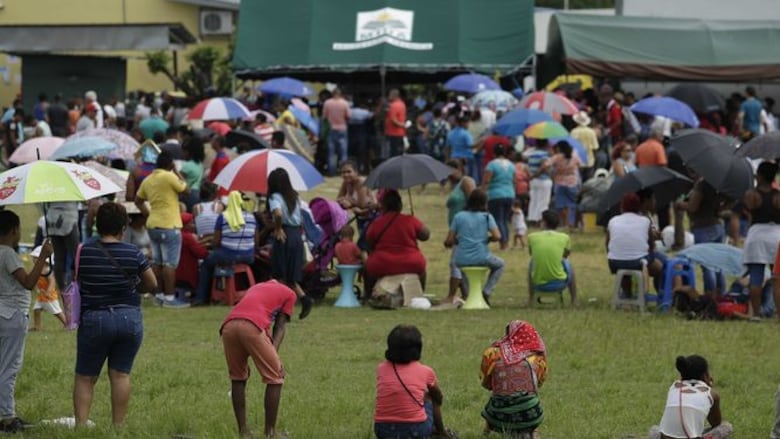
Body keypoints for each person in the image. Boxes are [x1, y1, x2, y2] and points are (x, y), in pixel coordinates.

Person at [72, 202, 157, 427]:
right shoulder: (133, 252)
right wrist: (134, 286)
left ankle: (80, 427)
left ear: (97, 225)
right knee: (120, 375)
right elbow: (152, 283)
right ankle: (117, 428)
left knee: (85, 377)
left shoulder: (83, 251)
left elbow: (77, 280)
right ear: (123, 227)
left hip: (95, 318)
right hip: (129, 318)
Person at [221, 280, 296, 439]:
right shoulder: (290, 293)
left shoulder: (256, 287)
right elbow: (280, 326)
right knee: (275, 377)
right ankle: (270, 433)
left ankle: (243, 432)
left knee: (237, 378)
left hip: (228, 326)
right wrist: (274, 356)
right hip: (252, 326)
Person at [0, 211, 52, 434]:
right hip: (13, 315)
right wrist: (44, 256)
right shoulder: (8, 254)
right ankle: (7, 417)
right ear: (14, 230)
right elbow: (29, 283)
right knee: (9, 368)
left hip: (2, 313)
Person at [374, 325, 454, 439]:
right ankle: (442, 433)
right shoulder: (426, 371)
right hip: (415, 431)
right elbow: (438, 396)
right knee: (430, 397)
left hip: (382, 431)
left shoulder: (381, 369)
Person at [135, 150, 190, 308]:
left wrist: (149, 214)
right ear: (170, 164)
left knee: (157, 262)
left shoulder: (148, 179)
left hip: (153, 224)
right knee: (169, 264)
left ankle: (158, 296)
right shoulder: (169, 176)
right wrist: (176, 172)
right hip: (169, 224)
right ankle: (170, 298)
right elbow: (187, 191)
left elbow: (138, 200)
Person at [480, 320, 546, 438]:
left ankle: (486, 432)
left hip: (497, 416)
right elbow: (539, 383)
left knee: (494, 398)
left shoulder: (493, 353)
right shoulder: (537, 358)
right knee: (531, 398)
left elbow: (485, 382)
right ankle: (534, 432)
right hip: (530, 415)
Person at [193, 191, 258, 306]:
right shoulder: (251, 217)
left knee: (206, 264)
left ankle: (201, 298)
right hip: (248, 257)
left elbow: (216, 242)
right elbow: (256, 241)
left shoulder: (223, 217)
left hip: (226, 255)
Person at [365, 190, 430, 299]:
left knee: (368, 269)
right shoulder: (410, 220)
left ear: (383, 206)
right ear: (400, 205)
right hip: (412, 262)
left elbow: (369, 243)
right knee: (422, 269)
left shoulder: (376, 223)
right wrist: (415, 221)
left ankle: (368, 295)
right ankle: (420, 295)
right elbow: (425, 236)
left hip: (382, 263)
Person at [648, 355, 733, 439]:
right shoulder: (712, 394)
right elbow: (716, 423)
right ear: (705, 375)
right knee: (726, 427)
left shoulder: (674, 387)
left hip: (664, 437)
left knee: (654, 429)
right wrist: (709, 388)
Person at [267, 168, 313, 319]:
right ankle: (304, 299)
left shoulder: (274, 197)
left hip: (284, 233)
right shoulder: (294, 196)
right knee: (290, 275)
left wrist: (278, 228)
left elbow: (278, 213)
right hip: (296, 234)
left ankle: (280, 308)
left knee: (280, 273)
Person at [445, 189, 504, 305]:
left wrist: (457, 241)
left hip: (461, 259)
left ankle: (469, 297)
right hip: (482, 257)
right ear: (485, 202)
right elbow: (497, 236)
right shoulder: (487, 217)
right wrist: (488, 239)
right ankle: (486, 292)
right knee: (500, 264)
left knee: (464, 272)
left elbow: (449, 240)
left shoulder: (458, 216)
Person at [606, 193, 666, 294]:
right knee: (660, 268)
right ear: (638, 207)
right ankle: (660, 294)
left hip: (615, 263)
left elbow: (607, 244)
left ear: (622, 207)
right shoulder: (645, 221)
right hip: (638, 262)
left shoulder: (613, 221)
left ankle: (627, 295)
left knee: (625, 267)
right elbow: (651, 246)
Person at [743, 162, 780, 319]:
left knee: (756, 278)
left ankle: (756, 314)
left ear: (760, 175)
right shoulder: (778, 195)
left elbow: (748, 211)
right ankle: (778, 313)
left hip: (756, 236)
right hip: (776, 236)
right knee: (777, 278)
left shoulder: (751, 194)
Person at [676, 179, 726, 295]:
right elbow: (731, 200)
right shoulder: (717, 183)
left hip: (703, 228)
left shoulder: (702, 184)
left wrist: (679, 204)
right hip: (717, 226)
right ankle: (721, 295)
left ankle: (710, 296)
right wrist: (721, 208)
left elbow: (693, 207)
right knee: (719, 265)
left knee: (707, 265)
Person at [527, 210, 578, 306]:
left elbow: (531, 253)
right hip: (560, 283)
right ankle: (574, 299)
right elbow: (565, 255)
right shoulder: (565, 237)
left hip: (538, 284)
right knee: (568, 263)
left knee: (532, 263)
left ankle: (530, 298)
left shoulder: (532, 237)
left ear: (544, 222)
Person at [445, 160, 476, 302]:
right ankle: (466, 294)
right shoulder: (455, 185)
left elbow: (475, 202)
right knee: (461, 263)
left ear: (458, 169)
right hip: (456, 229)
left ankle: (451, 295)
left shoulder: (466, 181)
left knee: (455, 262)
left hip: (464, 229)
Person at [337, 161, 376, 251]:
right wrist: (348, 203)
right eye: (343, 172)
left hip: (371, 216)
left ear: (356, 172)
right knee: (365, 247)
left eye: (349, 171)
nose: (346, 175)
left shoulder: (361, 182)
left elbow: (362, 204)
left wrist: (349, 203)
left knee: (365, 245)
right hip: (360, 217)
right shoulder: (346, 183)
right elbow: (338, 199)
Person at [483, 143, 516, 249]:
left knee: (498, 219)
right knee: (504, 220)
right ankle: (506, 241)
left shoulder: (491, 165)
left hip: (495, 195)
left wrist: (483, 193)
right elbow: (514, 180)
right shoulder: (511, 165)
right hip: (510, 194)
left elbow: (486, 181)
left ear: (494, 153)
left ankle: (503, 243)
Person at [29, 245, 66, 331]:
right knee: (36, 310)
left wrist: (49, 291)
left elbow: (52, 281)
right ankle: (37, 326)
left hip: (49, 297)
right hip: (42, 295)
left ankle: (67, 323)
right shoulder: (37, 269)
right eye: (34, 258)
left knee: (57, 312)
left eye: (36, 258)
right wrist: (36, 288)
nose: (34, 260)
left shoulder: (47, 270)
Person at [45, 202, 80, 291]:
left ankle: (62, 289)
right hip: (69, 217)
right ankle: (74, 286)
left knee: (58, 257)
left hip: (52, 217)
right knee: (76, 256)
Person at [550, 141, 582, 230]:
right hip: (572, 182)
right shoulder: (574, 156)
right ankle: (573, 224)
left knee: (561, 204)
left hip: (560, 182)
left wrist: (555, 171)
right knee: (573, 204)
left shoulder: (557, 157)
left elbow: (547, 164)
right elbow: (580, 165)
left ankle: (564, 224)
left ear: (559, 148)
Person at [322, 88, 351, 176]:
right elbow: (349, 116)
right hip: (342, 128)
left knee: (331, 152)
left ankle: (332, 172)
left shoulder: (327, 103)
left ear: (332, 94)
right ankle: (344, 171)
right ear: (340, 94)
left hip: (331, 128)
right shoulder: (345, 103)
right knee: (343, 152)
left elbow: (324, 117)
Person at [524, 142, 552, 225]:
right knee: (543, 201)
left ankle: (532, 218)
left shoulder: (531, 154)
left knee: (534, 200)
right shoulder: (544, 154)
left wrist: (531, 176)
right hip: (543, 180)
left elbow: (527, 166)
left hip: (533, 181)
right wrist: (536, 174)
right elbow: (544, 166)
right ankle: (540, 219)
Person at [571, 111, 599, 178]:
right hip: (589, 161)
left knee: (579, 180)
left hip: (578, 161)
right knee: (589, 181)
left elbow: (571, 147)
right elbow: (595, 147)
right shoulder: (591, 132)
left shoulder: (573, 132)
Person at [180, 138, 205, 212]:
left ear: (189, 152)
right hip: (198, 193)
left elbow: (179, 180)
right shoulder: (200, 164)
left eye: (184, 151)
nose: (183, 154)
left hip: (188, 194)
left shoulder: (187, 166)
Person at [448, 115, 476, 181]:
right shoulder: (465, 133)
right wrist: (481, 142)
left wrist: (448, 158)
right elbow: (470, 145)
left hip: (454, 157)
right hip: (465, 158)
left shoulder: (450, 133)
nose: (469, 125)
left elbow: (447, 147)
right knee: (466, 178)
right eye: (468, 123)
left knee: (456, 178)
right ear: (463, 123)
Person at [384, 89, 407, 158]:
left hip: (393, 133)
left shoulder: (394, 106)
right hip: (400, 133)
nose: (388, 97)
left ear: (394, 96)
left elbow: (393, 120)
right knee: (399, 153)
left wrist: (402, 125)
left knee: (394, 154)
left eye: (389, 95)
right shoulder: (402, 104)